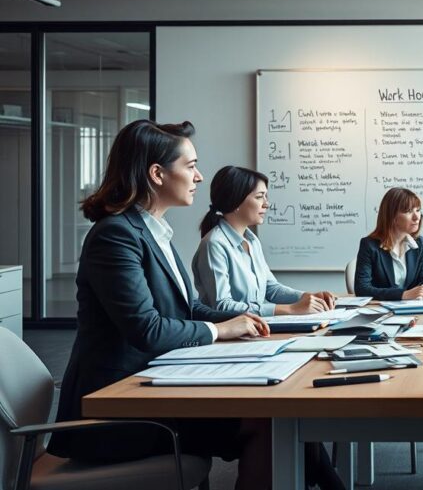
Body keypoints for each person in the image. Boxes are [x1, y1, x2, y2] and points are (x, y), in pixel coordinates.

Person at [48, 120, 342, 490]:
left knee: (278, 414)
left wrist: (243, 321)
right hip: (119, 411)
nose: (199, 177)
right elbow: (147, 328)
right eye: (190, 166)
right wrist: (221, 329)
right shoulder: (115, 236)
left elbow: (188, 311)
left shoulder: (156, 233)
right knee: (269, 419)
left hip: (156, 388)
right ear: (157, 174)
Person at [193, 165, 336, 316]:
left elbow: (271, 288)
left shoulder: (252, 240)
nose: (266, 204)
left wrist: (308, 297)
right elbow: (222, 306)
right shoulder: (214, 244)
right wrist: (290, 309)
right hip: (230, 335)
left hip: (255, 330)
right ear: (235, 201)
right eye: (259, 197)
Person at [354, 187, 423, 300]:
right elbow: (361, 289)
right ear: (392, 216)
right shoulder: (369, 245)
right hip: (381, 313)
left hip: (413, 309)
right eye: (409, 211)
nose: (417, 217)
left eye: (418, 210)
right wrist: (403, 295)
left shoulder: (418, 243)